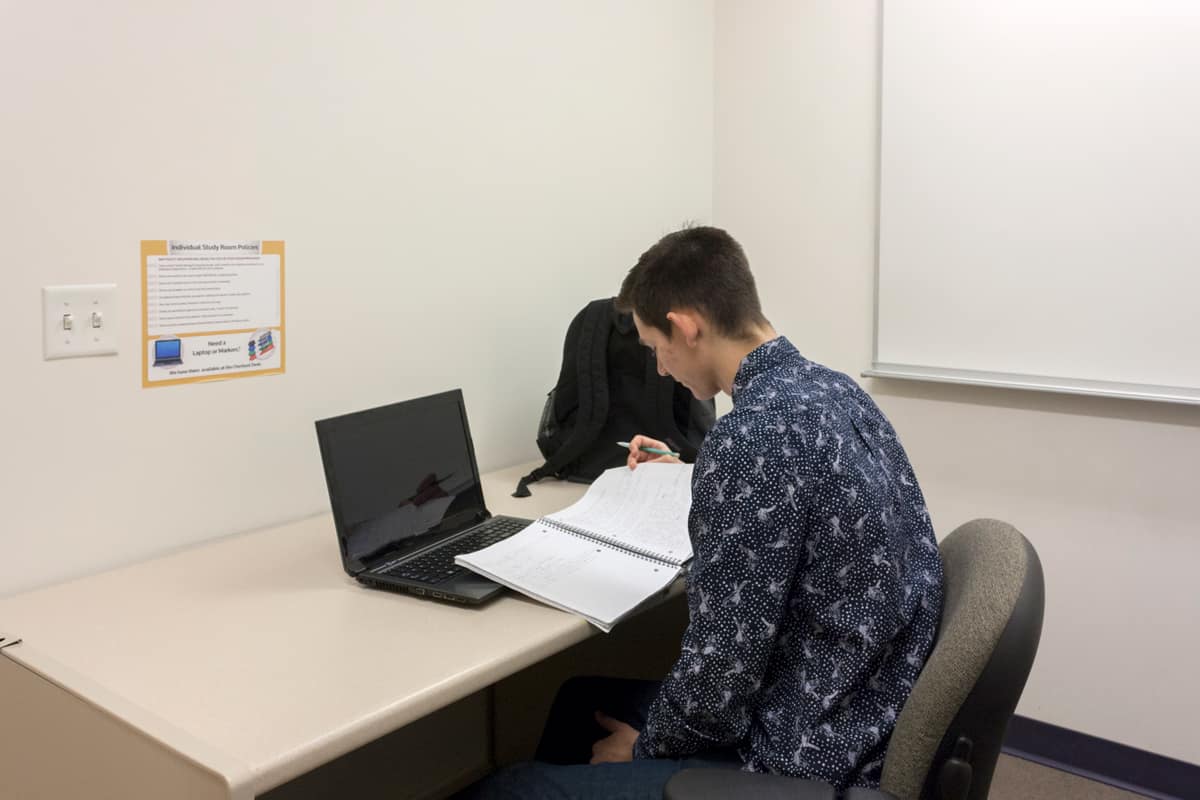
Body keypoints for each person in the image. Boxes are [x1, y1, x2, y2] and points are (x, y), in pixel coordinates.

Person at [458, 226, 943, 799]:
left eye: (655, 348)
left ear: (686, 327)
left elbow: (719, 685)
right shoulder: (830, 390)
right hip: (866, 697)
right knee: (578, 701)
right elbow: (802, 501)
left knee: (509, 788)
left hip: (806, 747)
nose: (661, 369)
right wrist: (691, 470)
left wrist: (639, 749)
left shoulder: (750, 441)